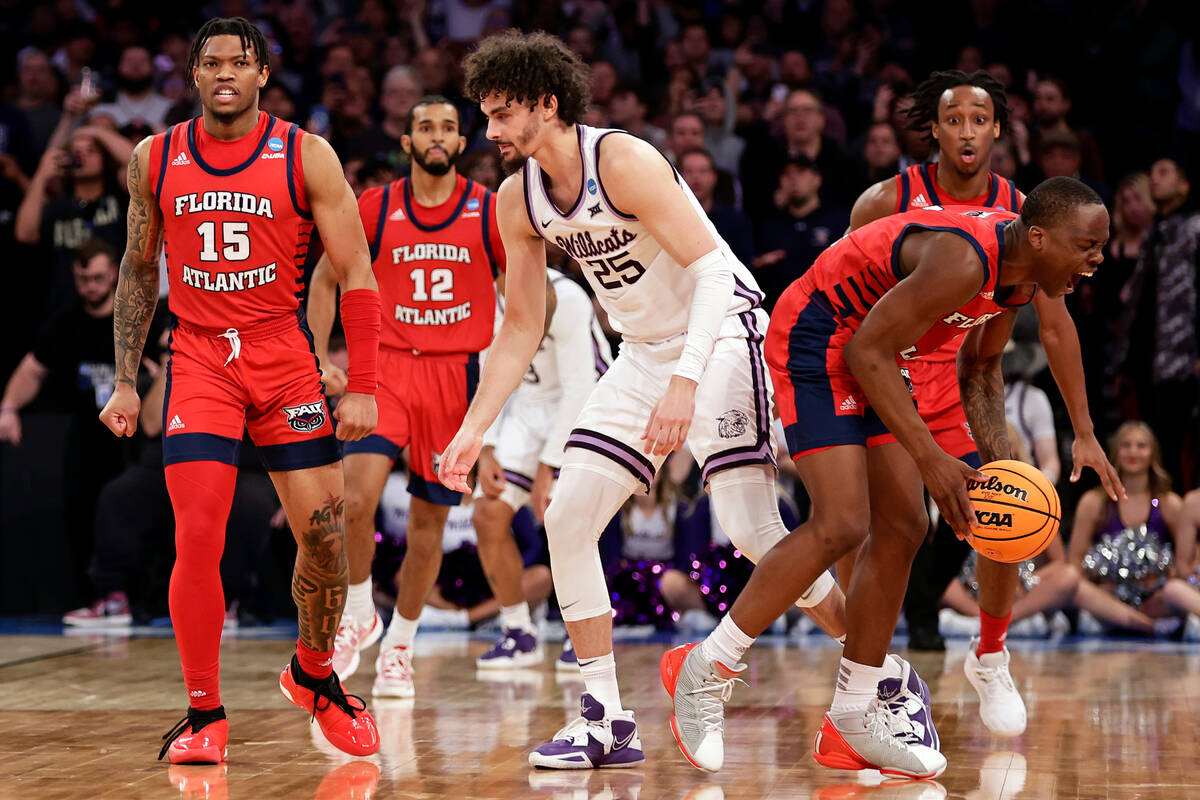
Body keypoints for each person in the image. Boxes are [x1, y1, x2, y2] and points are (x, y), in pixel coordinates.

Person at [439, 30, 846, 772]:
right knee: (566, 518)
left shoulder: (621, 160)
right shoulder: (516, 198)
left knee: (753, 529)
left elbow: (718, 274)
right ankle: (604, 720)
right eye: (486, 115)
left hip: (722, 334)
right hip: (641, 353)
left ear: (546, 104)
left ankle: (871, 669)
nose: (489, 131)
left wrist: (687, 384)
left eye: (500, 114)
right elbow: (523, 324)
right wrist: (474, 429)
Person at [668, 179, 1110, 779]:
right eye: (1087, 245)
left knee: (903, 526)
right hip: (820, 337)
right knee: (843, 522)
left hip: (883, 352)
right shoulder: (965, 259)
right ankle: (705, 667)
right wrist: (929, 457)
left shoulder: (1021, 276)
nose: (1098, 258)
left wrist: (1000, 465)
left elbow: (979, 366)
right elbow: (864, 352)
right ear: (1039, 237)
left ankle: (851, 717)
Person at [97, 17, 382, 765]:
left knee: (326, 533)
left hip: (282, 357)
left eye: (241, 62)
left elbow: (356, 272)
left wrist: (365, 385)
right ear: (193, 74)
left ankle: (315, 676)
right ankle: (204, 715)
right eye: (212, 61)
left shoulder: (306, 154)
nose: (226, 72)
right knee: (197, 532)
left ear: (262, 76)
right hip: (198, 361)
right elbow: (135, 269)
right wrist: (127, 381)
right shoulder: (154, 159)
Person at [845, 71, 1121, 738]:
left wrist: (1083, 429)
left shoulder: (1027, 211)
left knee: (1007, 492)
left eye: (979, 118)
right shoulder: (888, 198)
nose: (966, 129)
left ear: (998, 130)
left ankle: (991, 653)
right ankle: (858, 665)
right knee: (878, 525)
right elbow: (847, 282)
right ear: (935, 129)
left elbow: (1055, 326)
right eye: (953, 118)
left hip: (958, 372)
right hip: (878, 366)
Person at [307, 95, 503, 699]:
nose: (437, 136)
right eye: (425, 127)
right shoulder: (377, 205)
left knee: (428, 524)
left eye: (448, 126)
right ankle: (362, 608)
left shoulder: (488, 210)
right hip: (386, 369)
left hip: (455, 375)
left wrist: (498, 396)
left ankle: (400, 645)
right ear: (408, 141)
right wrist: (317, 356)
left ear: (461, 142)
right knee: (355, 498)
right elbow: (324, 277)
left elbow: (521, 300)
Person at [0, 239, 161, 606]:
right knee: (81, 513)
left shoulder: (136, 321)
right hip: (87, 435)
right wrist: (8, 407)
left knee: (134, 512)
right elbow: (32, 369)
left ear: (114, 276)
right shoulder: (65, 321)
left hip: (133, 438)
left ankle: (137, 598)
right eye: (83, 278)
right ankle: (98, 599)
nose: (91, 285)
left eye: (99, 277)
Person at [474, 268, 610, 669]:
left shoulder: (567, 297)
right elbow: (491, 373)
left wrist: (549, 466)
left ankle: (584, 635)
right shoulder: (486, 293)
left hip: (589, 404)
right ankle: (518, 630)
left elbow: (579, 386)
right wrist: (487, 445)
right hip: (529, 407)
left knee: (568, 522)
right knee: (487, 514)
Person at [1113, 156, 1200, 490]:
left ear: (1184, 184)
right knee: (1150, 445)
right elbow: (1138, 303)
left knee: (1176, 444)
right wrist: (1123, 361)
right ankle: (1153, 518)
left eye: (1164, 173)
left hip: (1181, 359)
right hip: (1145, 359)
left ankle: (1179, 523)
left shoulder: (1193, 228)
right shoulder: (1154, 233)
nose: (1154, 179)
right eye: (1150, 174)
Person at [1069, 421, 1200, 631]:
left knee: (1176, 591)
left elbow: (1184, 560)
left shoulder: (1169, 503)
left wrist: (1161, 585)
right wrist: (1098, 585)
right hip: (1107, 597)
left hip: (1155, 598)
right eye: (1126, 445)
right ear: (1114, 452)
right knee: (1073, 588)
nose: (1133, 452)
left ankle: (1137, 621)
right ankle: (1138, 623)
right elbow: (1075, 562)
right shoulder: (1094, 501)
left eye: (1141, 446)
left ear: (1153, 454)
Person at [754, 155, 849, 310]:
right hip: (781, 309)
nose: (793, 179)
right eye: (787, 174)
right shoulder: (770, 226)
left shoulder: (838, 221)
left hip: (829, 309)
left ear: (817, 179)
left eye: (801, 172)